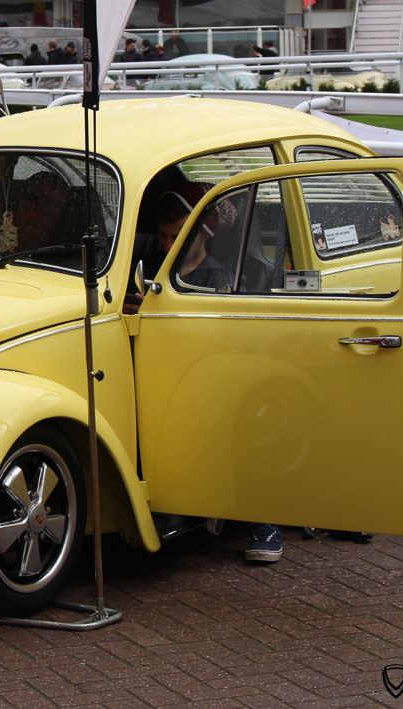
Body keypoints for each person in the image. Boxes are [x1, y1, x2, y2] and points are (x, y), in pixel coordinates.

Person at [132, 180, 281, 563]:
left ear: (204, 233)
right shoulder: (145, 268)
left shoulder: (220, 277)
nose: (166, 246)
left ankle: (263, 520)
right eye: (162, 237)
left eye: (176, 237)